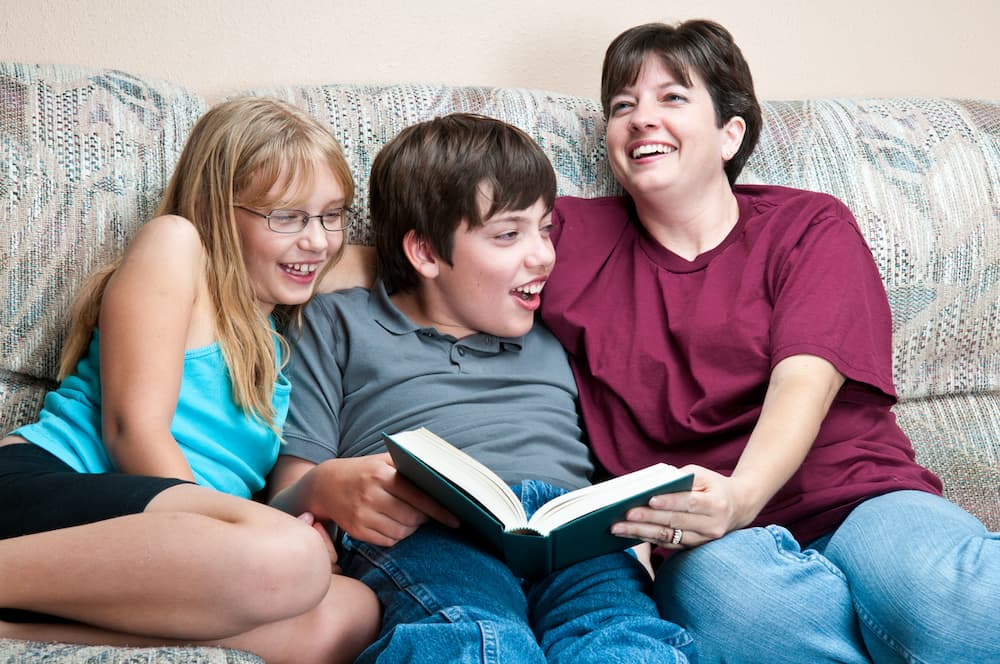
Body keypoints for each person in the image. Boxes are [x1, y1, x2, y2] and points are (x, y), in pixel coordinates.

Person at [537, 19, 1000, 663]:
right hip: (701, 539)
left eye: (673, 97)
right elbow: (436, 251)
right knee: (756, 617)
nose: (641, 117)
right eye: (623, 105)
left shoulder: (808, 226)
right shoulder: (564, 238)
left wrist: (741, 496)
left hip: (856, 497)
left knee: (956, 600)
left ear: (732, 134)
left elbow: (803, 380)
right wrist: (342, 249)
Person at [268, 113, 694, 663]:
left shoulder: (557, 324)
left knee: (627, 643)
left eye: (545, 228)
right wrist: (325, 488)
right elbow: (286, 492)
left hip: (570, 533)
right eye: (508, 234)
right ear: (423, 253)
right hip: (430, 523)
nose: (542, 255)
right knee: (474, 641)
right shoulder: (339, 321)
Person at [0, 97, 379, 663]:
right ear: (214, 209)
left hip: (156, 542)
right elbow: (133, 432)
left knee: (354, 610)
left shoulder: (275, 332)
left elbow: (397, 267)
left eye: (332, 215)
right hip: (47, 484)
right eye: (288, 216)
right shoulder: (177, 247)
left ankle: (16, 629)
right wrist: (249, 533)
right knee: (292, 558)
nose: (319, 241)